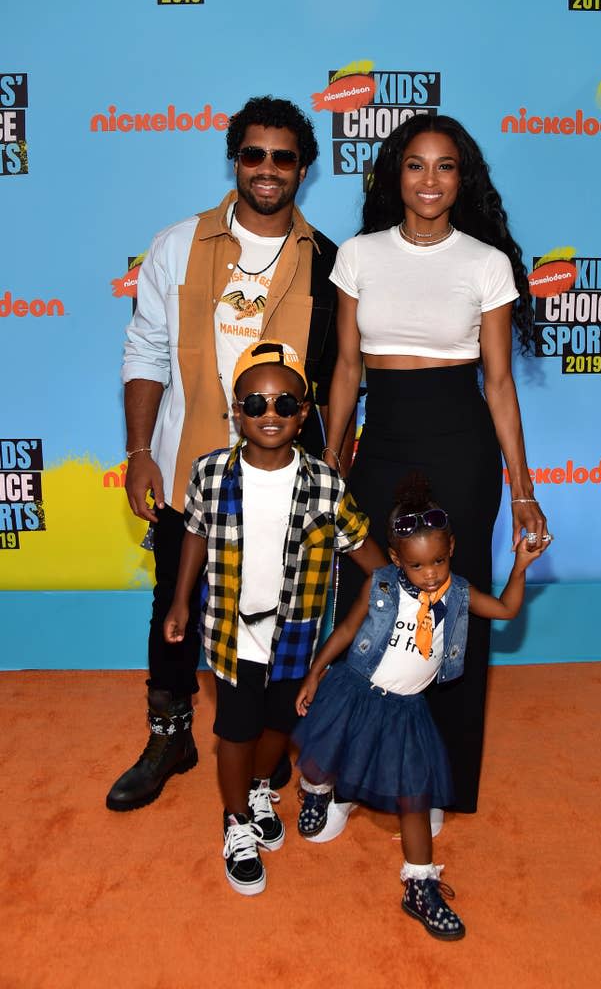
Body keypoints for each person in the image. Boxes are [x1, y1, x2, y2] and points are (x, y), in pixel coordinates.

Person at [108, 96, 348, 812]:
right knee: (172, 608)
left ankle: (267, 735)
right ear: (234, 159)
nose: (266, 170)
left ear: (303, 169)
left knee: (277, 610)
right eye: (253, 154)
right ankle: (170, 735)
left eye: (282, 157)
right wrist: (139, 450)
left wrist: (336, 458)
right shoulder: (177, 245)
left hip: (286, 478)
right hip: (190, 464)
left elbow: (339, 376)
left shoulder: (328, 261)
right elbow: (146, 348)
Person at [321, 113, 550, 815]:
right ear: (396, 173)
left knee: (452, 618)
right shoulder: (358, 255)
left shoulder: (486, 264)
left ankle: (438, 780)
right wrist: (329, 467)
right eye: (415, 164)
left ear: (463, 178)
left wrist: (523, 492)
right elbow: (346, 372)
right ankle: (345, 774)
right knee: (366, 610)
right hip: (381, 440)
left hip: (462, 447)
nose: (429, 179)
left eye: (445, 166)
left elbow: (500, 386)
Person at [162, 341, 385, 895]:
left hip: (298, 635)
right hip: (230, 631)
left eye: (285, 404)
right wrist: (180, 600)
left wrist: (408, 587)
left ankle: (261, 787)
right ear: (235, 411)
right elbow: (193, 534)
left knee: (279, 726)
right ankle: (236, 820)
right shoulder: (210, 472)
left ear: (305, 414)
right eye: (255, 404)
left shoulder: (326, 486)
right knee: (235, 730)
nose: (269, 415)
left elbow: (367, 553)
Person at [293, 475, 551, 939]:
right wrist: (315, 672)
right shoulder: (380, 586)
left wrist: (520, 567)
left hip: (405, 712)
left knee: (415, 797)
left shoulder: (458, 594)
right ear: (396, 560)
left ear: (451, 547)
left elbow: (508, 611)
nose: (431, 572)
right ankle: (315, 789)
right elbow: (349, 630)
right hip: (355, 692)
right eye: (417, 565)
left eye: (439, 560)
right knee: (325, 752)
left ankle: (419, 883)